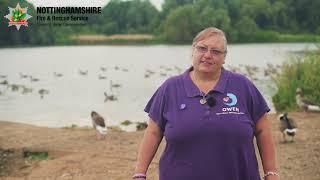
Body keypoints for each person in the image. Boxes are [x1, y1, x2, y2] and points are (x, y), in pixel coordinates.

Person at [133, 27, 279, 180]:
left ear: (224, 57)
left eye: (216, 51)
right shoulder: (170, 88)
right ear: (192, 51)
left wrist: (271, 172)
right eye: (202, 48)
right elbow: (153, 133)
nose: (207, 55)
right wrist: (139, 173)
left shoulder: (243, 86)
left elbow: (263, 131)